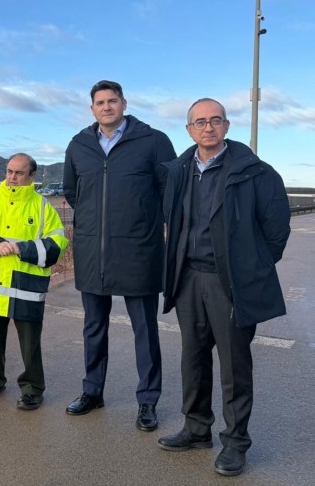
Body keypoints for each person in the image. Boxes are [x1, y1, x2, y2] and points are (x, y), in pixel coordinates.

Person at [156, 98, 290, 476]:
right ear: (189, 130)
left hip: (229, 282)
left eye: (216, 120)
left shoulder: (255, 172)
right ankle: (197, 428)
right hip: (188, 279)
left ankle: (235, 442)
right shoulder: (179, 171)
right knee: (193, 358)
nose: (208, 127)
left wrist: (250, 268)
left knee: (234, 364)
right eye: (200, 122)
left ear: (227, 126)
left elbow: (276, 231)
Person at [62, 80, 176, 431]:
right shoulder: (78, 145)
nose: (107, 106)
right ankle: (92, 391)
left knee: (145, 329)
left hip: (139, 250)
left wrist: (142, 223)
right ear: (92, 108)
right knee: (93, 326)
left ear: (124, 103)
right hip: (92, 252)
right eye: (100, 102)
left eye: (113, 100)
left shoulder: (153, 141)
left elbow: (169, 192)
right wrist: (95, 225)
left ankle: (147, 401)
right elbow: (72, 191)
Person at [0, 153, 68, 410]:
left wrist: (22, 248)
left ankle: (32, 389)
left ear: (32, 176)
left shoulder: (42, 206)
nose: (12, 177)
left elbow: (57, 243)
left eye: (19, 173)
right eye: (9, 171)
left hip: (25, 286)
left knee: (30, 344)